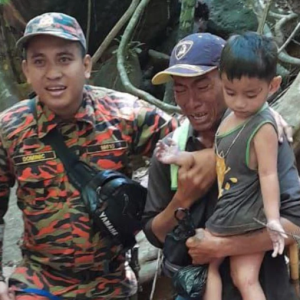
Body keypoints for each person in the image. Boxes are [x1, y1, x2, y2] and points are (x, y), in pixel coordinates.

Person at [0, 12, 177, 300]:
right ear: (26, 70)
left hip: (111, 281)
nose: (53, 72)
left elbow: (190, 141)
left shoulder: (125, 115)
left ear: (86, 65)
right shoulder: (10, 128)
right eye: (39, 61)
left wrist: (258, 122)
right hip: (40, 282)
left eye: (64, 59)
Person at [143, 32, 300, 300]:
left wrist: (221, 246)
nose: (191, 101)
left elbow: (295, 223)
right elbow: (155, 234)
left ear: (226, 77)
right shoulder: (173, 147)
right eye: (180, 89)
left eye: (202, 86)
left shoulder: (264, 136)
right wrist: (183, 197)